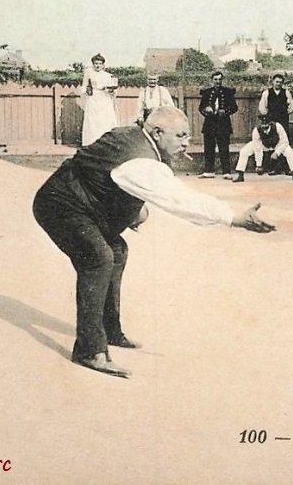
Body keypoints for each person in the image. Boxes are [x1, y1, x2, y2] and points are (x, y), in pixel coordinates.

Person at [33, 107, 275, 378]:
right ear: (157, 132)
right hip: (57, 205)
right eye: (181, 135)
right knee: (99, 256)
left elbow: (105, 172)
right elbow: (177, 198)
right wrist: (234, 218)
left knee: (117, 250)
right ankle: (89, 350)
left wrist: (133, 210)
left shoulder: (137, 139)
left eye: (189, 135)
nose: (187, 141)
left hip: (80, 202)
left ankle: (109, 331)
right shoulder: (140, 159)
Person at [229, 116, 293, 182]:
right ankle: (240, 175)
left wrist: (277, 153)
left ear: (270, 124)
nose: (264, 127)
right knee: (244, 151)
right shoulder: (256, 130)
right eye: (262, 125)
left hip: (277, 144)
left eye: (266, 125)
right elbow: (257, 146)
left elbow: (285, 141)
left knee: (289, 151)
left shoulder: (278, 126)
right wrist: (259, 165)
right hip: (263, 145)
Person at [198, 71, 238, 179]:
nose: (218, 82)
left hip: (223, 123)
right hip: (210, 123)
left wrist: (225, 111)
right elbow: (201, 108)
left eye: (220, 79)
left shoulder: (228, 92)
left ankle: (226, 172)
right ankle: (209, 171)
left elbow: (235, 107)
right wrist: (207, 110)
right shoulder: (206, 92)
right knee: (208, 148)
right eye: (215, 79)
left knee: (224, 148)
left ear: (222, 80)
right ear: (212, 80)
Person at [80, 54, 119, 146]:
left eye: (100, 63)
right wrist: (87, 91)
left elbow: (113, 90)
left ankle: (106, 142)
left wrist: (111, 91)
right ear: (93, 64)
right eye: (96, 63)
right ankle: (91, 142)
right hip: (93, 98)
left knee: (105, 119)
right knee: (93, 120)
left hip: (105, 99)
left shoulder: (108, 75)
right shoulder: (89, 73)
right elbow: (84, 87)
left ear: (103, 65)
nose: (98, 65)